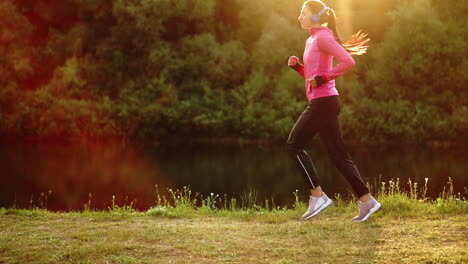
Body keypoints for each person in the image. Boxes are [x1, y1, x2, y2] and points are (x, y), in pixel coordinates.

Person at [287, 0, 380, 222]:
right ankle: (367, 201)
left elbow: (348, 62)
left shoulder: (323, 37)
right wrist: (299, 68)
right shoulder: (311, 39)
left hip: (323, 103)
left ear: (316, 17)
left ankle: (317, 196)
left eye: (303, 13)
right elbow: (313, 78)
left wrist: (324, 77)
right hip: (325, 100)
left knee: (294, 145)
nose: (299, 17)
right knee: (338, 156)